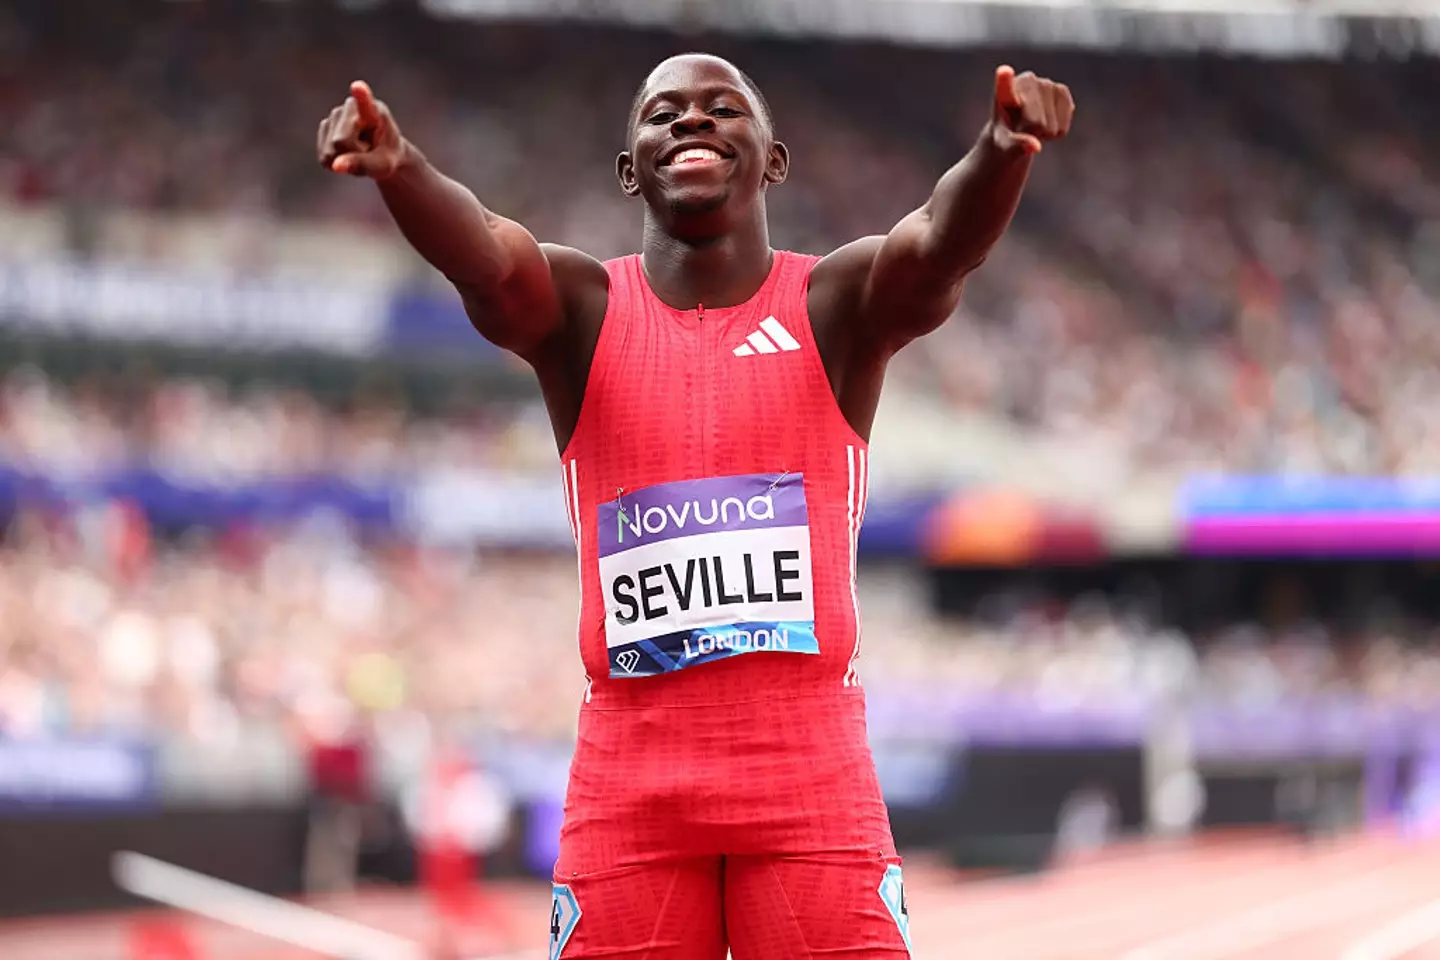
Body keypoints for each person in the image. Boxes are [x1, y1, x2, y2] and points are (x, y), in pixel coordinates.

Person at [318, 53, 1072, 959]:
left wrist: (1002, 150)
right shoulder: (580, 312)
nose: (691, 122)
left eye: (722, 108)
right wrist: (401, 167)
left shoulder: (835, 304)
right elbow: (486, 256)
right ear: (631, 168)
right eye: (663, 112)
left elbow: (936, 246)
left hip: (809, 776)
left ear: (774, 159)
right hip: (631, 786)